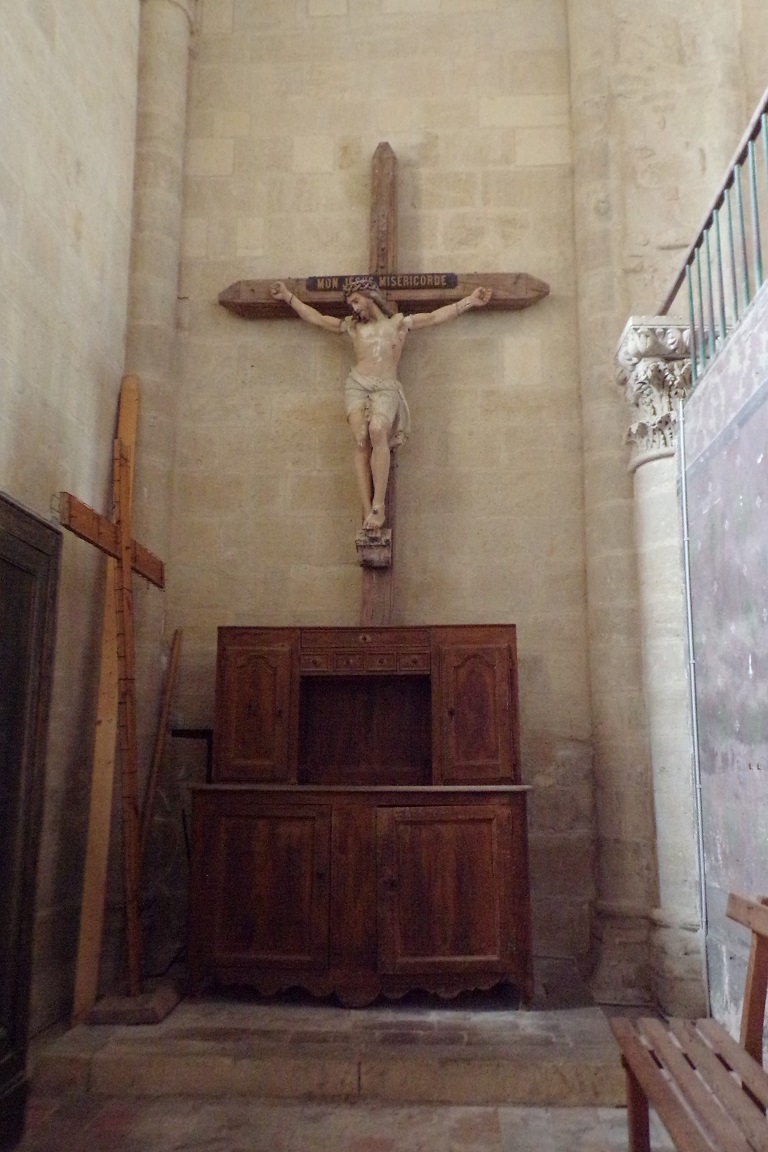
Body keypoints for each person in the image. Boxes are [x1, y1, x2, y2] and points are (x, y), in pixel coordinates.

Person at [270, 276, 492, 533]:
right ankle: (367, 510)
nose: (353, 307)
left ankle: (379, 505)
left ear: (369, 295)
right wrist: (288, 296)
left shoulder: (399, 324)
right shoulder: (353, 327)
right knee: (362, 438)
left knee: (377, 430)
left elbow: (433, 317)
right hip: (357, 384)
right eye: (350, 303)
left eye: (355, 301)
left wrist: (469, 301)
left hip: (386, 386)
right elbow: (317, 319)